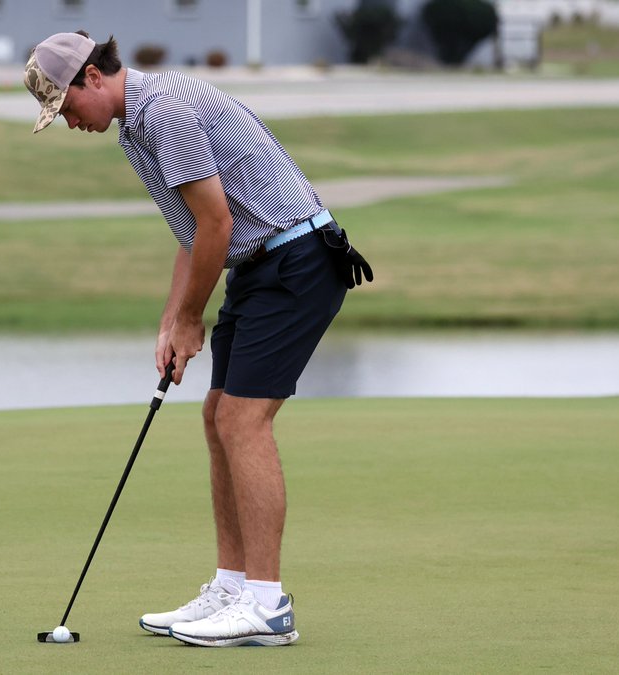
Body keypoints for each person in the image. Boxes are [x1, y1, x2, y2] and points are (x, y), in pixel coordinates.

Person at [24, 31, 371, 648]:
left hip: (296, 259)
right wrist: (171, 319)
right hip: (259, 263)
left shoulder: (167, 114)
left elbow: (218, 222)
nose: (71, 122)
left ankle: (266, 606)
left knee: (243, 421)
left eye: (69, 108)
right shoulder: (135, 128)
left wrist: (192, 321)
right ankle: (233, 586)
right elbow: (193, 233)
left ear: (94, 79)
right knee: (217, 416)